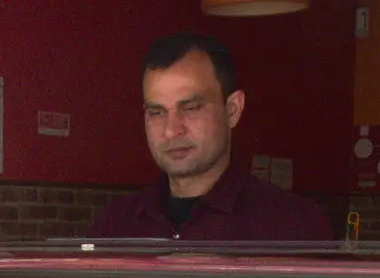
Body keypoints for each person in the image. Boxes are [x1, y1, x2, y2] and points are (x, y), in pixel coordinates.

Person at [92, 32, 332, 242]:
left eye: (191, 108)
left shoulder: (293, 225)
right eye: (157, 112)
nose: (171, 130)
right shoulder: (114, 224)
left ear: (232, 110)